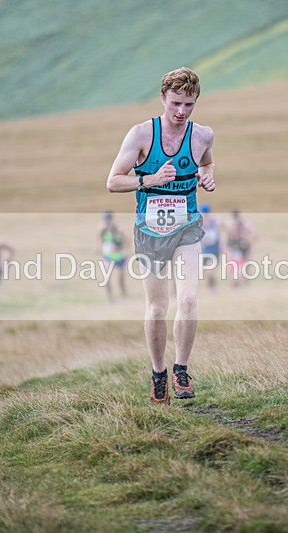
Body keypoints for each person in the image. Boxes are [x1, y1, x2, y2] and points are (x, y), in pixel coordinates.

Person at [107, 67, 215, 404]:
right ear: (163, 99)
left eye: (189, 104)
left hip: (187, 227)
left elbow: (207, 163)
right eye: (175, 104)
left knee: (187, 300)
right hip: (150, 232)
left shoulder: (203, 135)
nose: (182, 112)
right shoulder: (141, 135)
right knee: (157, 308)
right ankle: (159, 375)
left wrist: (208, 177)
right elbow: (113, 181)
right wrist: (149, 180)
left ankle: (181, 370)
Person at [97, 210, 127, 303]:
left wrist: (118, 247)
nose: (106, 222)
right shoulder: (102, 230)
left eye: (108, 220)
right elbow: (99, 242)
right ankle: (110, 297)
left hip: (119, 257)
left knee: (120, 279)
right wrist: (100, 249)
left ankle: (124, 295)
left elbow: (127, 242)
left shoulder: (118, 229)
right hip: (108, 257)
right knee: (106, 278)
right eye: (104, 220)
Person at [226, 209, 256, 288]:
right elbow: (226, 240)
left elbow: (254, 236)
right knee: (233, 274)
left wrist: (247, 241)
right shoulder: (229, 225)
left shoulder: (245, 224)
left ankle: (244, 287)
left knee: (242, 272)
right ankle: (236, 290)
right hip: (233, 252)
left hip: (244, 251)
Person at [199, 203, 221, 290]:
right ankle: (211, 288)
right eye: (203, 212)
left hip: (213, 250)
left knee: (210, 272)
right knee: (205, 273)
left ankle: (213, 288)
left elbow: (220, 233)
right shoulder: (198, 222)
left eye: (206, 212)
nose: (205, 214)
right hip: (202, 250)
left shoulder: (215, 221)